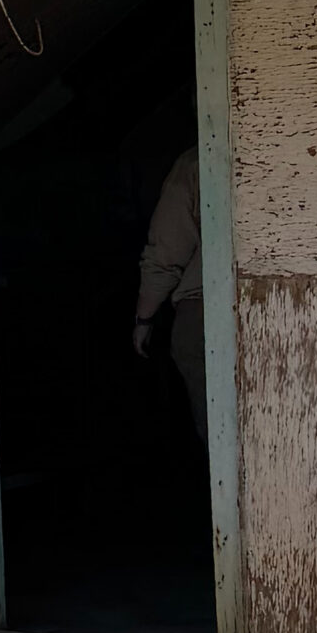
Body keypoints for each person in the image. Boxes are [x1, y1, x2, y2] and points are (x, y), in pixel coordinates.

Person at [133, 141, 207, 446]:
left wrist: (144, 318)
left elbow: (166, 252)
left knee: (219, 437)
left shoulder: (194, 163)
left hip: (203, 314)